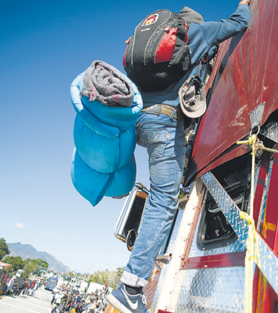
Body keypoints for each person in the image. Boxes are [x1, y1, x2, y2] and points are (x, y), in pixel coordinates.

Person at [105, 2, 251, 313]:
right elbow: (238, 23)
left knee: (164, 187)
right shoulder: (195, 33)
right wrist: (243, 5)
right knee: (163, 199)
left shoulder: (153, 45)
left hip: (138, 122)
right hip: (164, 122)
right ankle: (131, 287)